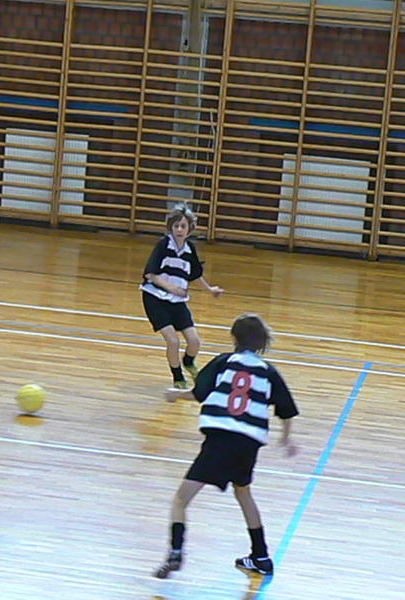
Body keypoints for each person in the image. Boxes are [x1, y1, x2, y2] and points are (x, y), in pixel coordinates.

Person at [154, 313, 299, 578]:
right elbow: (287, 409)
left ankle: (175, 552)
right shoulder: (268, 371)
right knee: (243, 493)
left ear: (234, 338)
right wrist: (286, 438)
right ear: (262, 342)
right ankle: (261, 556)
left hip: (220, 439)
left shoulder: (224, 362)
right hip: (248, 443)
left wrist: (176, 395)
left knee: (180, 500)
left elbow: (199, 393)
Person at [141, 204, 224, 389]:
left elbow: (195, 274)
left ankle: (188, 362)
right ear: (170, 227)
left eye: (183, 226)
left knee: (194, 342)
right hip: (155, 298)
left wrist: (210, 289)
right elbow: (150, 274)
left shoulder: (189, 249)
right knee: (173, 341)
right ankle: (178, 377)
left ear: (189, 229)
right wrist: (172, 288)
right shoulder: (163, 245)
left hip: (177, 302)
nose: (179, 229)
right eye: (176, 226)